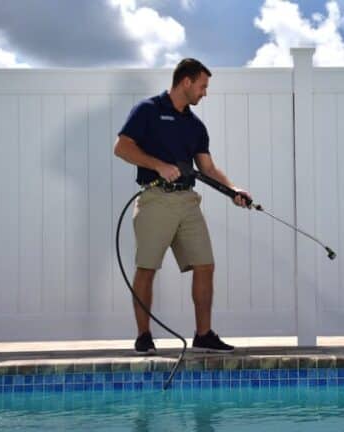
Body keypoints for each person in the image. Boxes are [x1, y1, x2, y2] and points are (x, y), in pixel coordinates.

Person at [113, 58, 252, 354]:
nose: (205, 93)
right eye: (202, 86)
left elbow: (208, 168)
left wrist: (234, 190)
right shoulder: (148, 110)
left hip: (188, 201)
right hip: (155, 199)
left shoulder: (195, 125)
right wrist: (158, 165)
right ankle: (144, 336)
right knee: (147, 268)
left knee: (205, 265)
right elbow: (122, 147)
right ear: (186, 82)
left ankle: (203, 335)